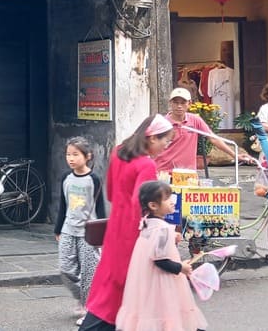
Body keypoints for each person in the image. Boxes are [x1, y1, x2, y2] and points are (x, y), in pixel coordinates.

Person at [79, 114, 173, 331]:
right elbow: (142, 205)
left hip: (115, 230)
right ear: (151, 138)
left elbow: (111, 193)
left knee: (111, 285)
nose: (165, 147)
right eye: (164, 141)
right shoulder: (146, 165)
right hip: (134, 234)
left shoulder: (118, 152)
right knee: (127, 290)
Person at [115, 180, 208, 331]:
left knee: (153, 312)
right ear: (153, 205)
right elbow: (160, 260)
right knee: (168, 314)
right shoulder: (162, 230)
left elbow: (155, 241)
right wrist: (181, 267)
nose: (172, 202)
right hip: (162, 280)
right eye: (167, 199)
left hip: (148, 279)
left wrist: (172, 235)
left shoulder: (147, 222)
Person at [54, 136, 105, 325]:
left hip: (89, 232)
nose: (71, 158)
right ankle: (81, 297)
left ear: (87, 156)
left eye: (75, 154)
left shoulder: (94, 179)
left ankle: (89, 310)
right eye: (68, 154)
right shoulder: (66, 178)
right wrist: (58, 229)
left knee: (89, 273)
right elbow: (62, 205)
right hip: (68, 229)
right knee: (65, 269)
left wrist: (102, 233)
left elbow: (100, 208)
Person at [155, 87, 248, 173]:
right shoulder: (162, 122)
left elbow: (213, 138)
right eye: (175, 102)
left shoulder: (195, 120)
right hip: (164, 172)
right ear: (170, 103)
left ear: (189, 104)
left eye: (183, 103)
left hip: (188, 174)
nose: (179, 106)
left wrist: (234, 155)